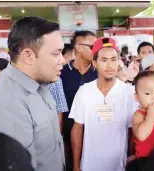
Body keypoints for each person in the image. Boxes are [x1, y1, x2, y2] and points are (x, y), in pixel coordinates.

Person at [0, 17, 65, 171]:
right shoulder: (3, 108)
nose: (63, 60)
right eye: (56, 53)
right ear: (28, 56)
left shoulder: (40, 86)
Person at [69, 37, 138, 171]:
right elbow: (77, 129)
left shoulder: (129, 93)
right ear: (95, 63)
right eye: (104, 60)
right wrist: (76, 165)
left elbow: (133, 131)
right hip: (89, 165)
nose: (110, 65)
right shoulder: (84, 91)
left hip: (119, 166)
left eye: (113, 59)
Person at [60, 30, 97, 171]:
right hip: (68, 136)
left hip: (94, 136)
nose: (97, 50)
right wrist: (60, 138)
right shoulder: (61, 74)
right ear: (79, 47)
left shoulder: (99, 74)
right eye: (93, 47)